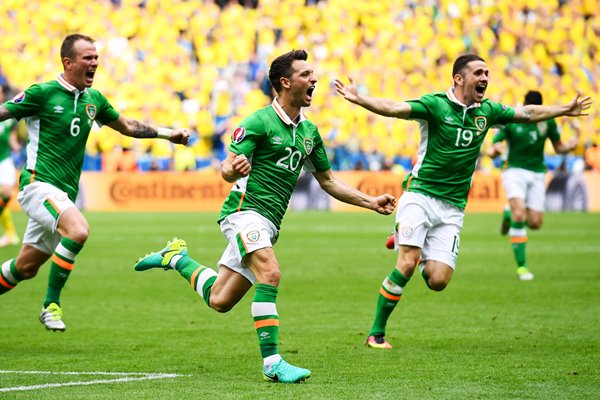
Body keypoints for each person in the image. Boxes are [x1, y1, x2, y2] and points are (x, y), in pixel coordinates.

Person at [134, 50, 396, 383]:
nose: (314, 79)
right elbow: (227, 167)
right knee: (270, 273)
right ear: (286, 83)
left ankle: (176, 259)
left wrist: (370, 201)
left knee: (220, 299)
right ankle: (272, 362)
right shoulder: (258, 121)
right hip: (244, 213)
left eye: (313, 74)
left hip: (268, 223)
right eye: (306, 74)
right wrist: (233, 169)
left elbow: (328, 181)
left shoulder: (310, 133)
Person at [334, 54, 592, 349]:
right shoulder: (435, 105)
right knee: (406, 263)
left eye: (487, 73)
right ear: (459, 78)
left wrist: (564, 110)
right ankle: (376, 333)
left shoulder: (489, 111)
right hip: (421, 195)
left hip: (453, 207)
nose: (485, 78)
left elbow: (528, 113)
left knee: (438, 281)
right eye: (478, 73)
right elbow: (394, 108)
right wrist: (360, 99)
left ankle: (409, 237)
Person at [0, 34, 190, 331]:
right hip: (38, 186)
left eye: (96, 58)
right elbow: (4, 112)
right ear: (68, 62)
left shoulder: (94, 100)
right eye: (88, 58)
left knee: (25, 267)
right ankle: (52, 305)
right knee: (78, 231)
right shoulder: (43, 93)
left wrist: (168, 135)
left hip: (63, 194)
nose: (95, 63)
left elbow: (127, 125)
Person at [487, 90, 578, 281]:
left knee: (535, 223)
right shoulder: (513, 119)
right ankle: (522, 267)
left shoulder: (548, 122)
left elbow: (558, 147)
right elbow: (491, 148)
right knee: (519, 213)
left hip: (537, 172)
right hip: (514, 170)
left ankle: (507, 214)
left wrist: (569, 146)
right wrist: (494, 150)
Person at [0, 85, 21, 247]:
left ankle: (10, 234)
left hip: (4, 160)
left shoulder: (8, 117)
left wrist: (15, 145)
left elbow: (12, 138)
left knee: (7, 193)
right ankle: (10, 233)